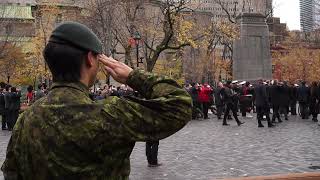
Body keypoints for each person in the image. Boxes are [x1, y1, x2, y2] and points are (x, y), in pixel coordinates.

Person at [1, 22, 192, 179]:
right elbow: (180, 104)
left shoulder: (26, 120)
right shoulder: (111, 114)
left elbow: (11, 172)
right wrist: (133, 76)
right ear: (90, 59)